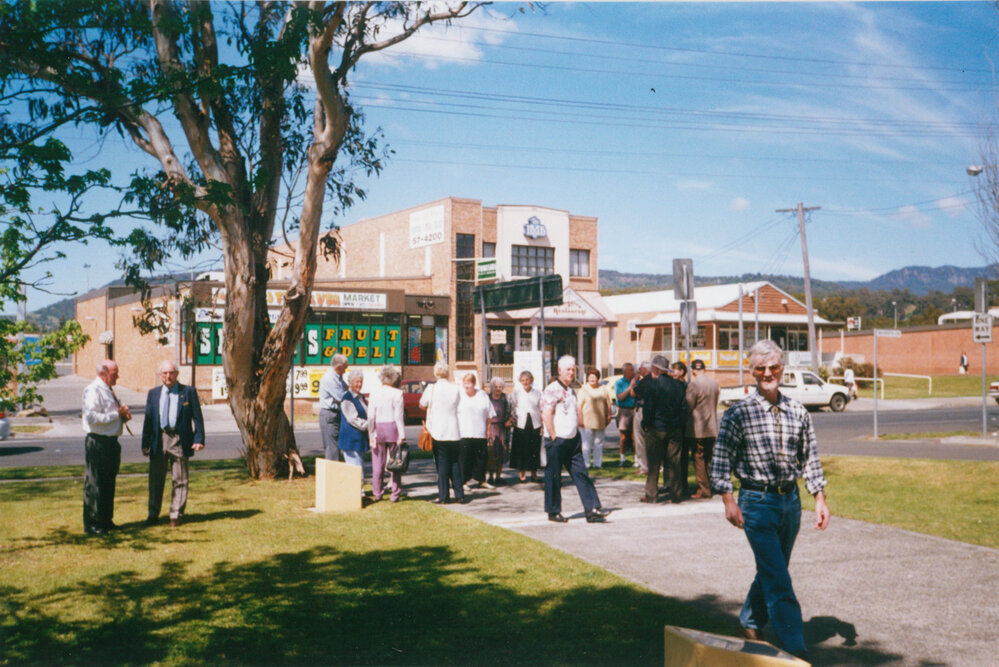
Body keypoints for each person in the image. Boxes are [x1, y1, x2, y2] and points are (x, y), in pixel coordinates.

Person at [710, 339, 830, 660]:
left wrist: (819, 498)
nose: (767, 373)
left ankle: (750, 620)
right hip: (756, 502)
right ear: (752, 372)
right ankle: (795, 648)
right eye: (760, 368)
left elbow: (810, 458)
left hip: (789, 502)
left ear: (782, 369)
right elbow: (720, 460)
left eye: (773, 367)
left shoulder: (797, 411)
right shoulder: (739, 413)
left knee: (774, 568)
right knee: (778, 577)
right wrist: (728, 499)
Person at [541, 355, 608, 524]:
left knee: (581, 474)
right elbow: (546, 414)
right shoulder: (551, 389)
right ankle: (553, 511)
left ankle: (592, 509)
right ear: (559, 371)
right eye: (568, 370)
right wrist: (553, 434)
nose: (571, 373)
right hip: (557, 440)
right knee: (554, 476)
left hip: (572, 440)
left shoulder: (571, 390)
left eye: (573, 370)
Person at [141, 360, 205, 527]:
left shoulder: (188, 392)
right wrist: (145, 442)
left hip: (179, 439)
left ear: (177, 374)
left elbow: (197, 418)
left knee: (180, 479)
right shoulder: (153, 393)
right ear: (160, 375)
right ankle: (153, 514)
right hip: (158, 440)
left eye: (171, 373)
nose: (168, 376)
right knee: (155, 479)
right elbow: (148, 420)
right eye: (164, 373)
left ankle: (175, 514)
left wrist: (199, 439)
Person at [81, 360, 131, 535]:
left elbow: (109, 415)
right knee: (95, 483)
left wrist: (122, 416)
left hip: (111, 442)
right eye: (114, 373)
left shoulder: (108, 390)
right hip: (98, 442)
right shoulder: (93, 390)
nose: (117, 376)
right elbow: (92, 417)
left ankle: (106, 520)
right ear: (103, 373)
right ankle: (93, 523)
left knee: (109, 482)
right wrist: (116, 414)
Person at [633, 355, 687, 504]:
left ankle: (652, 494)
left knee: (654, 463)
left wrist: (646, 423)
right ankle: (676, 493)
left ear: (656, 369)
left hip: (656, 427)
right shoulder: (679, 385)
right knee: (674, 462)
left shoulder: (653, 385)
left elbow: (649, 408)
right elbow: (684, 408)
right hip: (675, 427)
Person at [420, 362, 464, 503]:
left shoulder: (431, 388)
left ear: (435, 373)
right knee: (455, 463)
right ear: (447, 373)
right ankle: (459, 494)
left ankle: (444, 496)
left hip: (438, 431)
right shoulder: (455, 388)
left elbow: (422, 404)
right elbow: (457, 405)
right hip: (454, 430)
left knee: (442, 464)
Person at [367, 365, 406, 502]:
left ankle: (377, 492)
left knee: (377, 462)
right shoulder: (397, 393)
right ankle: (395, 493)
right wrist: (402, 434)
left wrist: (372, 433)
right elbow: (399, 416)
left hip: (378, 427)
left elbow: (371, 416)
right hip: (393, 427)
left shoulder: (374, 393)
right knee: (395, 461)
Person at [685, 358, 719, 500]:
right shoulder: (714, 384)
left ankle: (704, 489)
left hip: (697, 428)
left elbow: (688, 406)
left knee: (698, 458)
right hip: (711, 427)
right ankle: (710, 485)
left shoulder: (693, 385)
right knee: (708, 458)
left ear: (693, 370)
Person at [458, 373, 495, 490]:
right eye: (465, 383)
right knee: (465, 458)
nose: (466, 386)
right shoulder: (459, 395)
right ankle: (463, 482)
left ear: (474, 384)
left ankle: (481, 480)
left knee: (481, 458)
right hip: (464, 432)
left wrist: (488, 430)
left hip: (480, 432)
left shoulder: (482, 394)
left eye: (469, 383)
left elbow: (490, 414)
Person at [338, 370, 370, 491]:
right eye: (356, 382)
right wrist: (369, 425)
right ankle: (355, 493)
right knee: (354, 467)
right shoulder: (347, 398)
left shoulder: (361, 397)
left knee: (359, 467)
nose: (359, 384)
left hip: (359, 439)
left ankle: (359, 492)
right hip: (350, 439)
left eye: (361, 381)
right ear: (350, 383)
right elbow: (353, 419)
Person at [510, 370, 543, 482]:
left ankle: (534, 473)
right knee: (521, 449)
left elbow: (541, 409)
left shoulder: (538, 393)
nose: (525, 382)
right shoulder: (516, 392)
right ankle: (522, 473)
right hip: (521, 424)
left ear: (531, 380)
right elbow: (513, 407)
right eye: (523, 380)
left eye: (527, 380)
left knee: (534, 449)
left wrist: (542, 426)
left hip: (535, 423)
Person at [577, 368, 610, 468]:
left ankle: (597, 463)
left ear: (598, 378)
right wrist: (580, 419)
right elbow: (579, 406)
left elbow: (608, 404)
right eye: (590, 377)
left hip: (600, 421)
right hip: (586, 422)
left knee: (598, 444)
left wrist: (608, 416)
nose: (592, 379)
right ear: (587, 378)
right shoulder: (583, 389)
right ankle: (586, 463)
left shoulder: (603, 389)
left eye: (594, 377)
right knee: (586, 445)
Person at [318, 353, 349, 460]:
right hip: (329, 414)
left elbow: (347, 389)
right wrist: (341, 396)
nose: (345, 370)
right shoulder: (330, 378)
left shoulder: (338, 378)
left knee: (336, 445)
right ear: (339, 367)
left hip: (336, 413)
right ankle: (331, 474)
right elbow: (342, 397)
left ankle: (335, 472)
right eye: (345, 368)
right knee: (332, 447)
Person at [486, 377, 513, 485]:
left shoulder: (506, 398)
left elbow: (512, 411)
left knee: (502, 452)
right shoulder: (487, 398)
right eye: (496, 387)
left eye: (500, 387)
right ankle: (490, 477)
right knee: (490, 453)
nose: (498, 389)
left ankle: (498, 476)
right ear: (492, 387)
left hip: (502, 428)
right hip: (490, 427)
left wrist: (509, 420)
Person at [614, 363, 637, 466]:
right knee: (623, 437)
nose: (633, 372)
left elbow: (635, 394)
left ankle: (636, 460)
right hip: (624, 410)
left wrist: (634, 383)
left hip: (634, 409)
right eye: (631, 370)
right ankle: (622, 459)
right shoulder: (619, 383)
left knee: (634, 436)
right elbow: (620, 397)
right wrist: (630, 387)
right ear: (625, 372)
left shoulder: (637, 381)